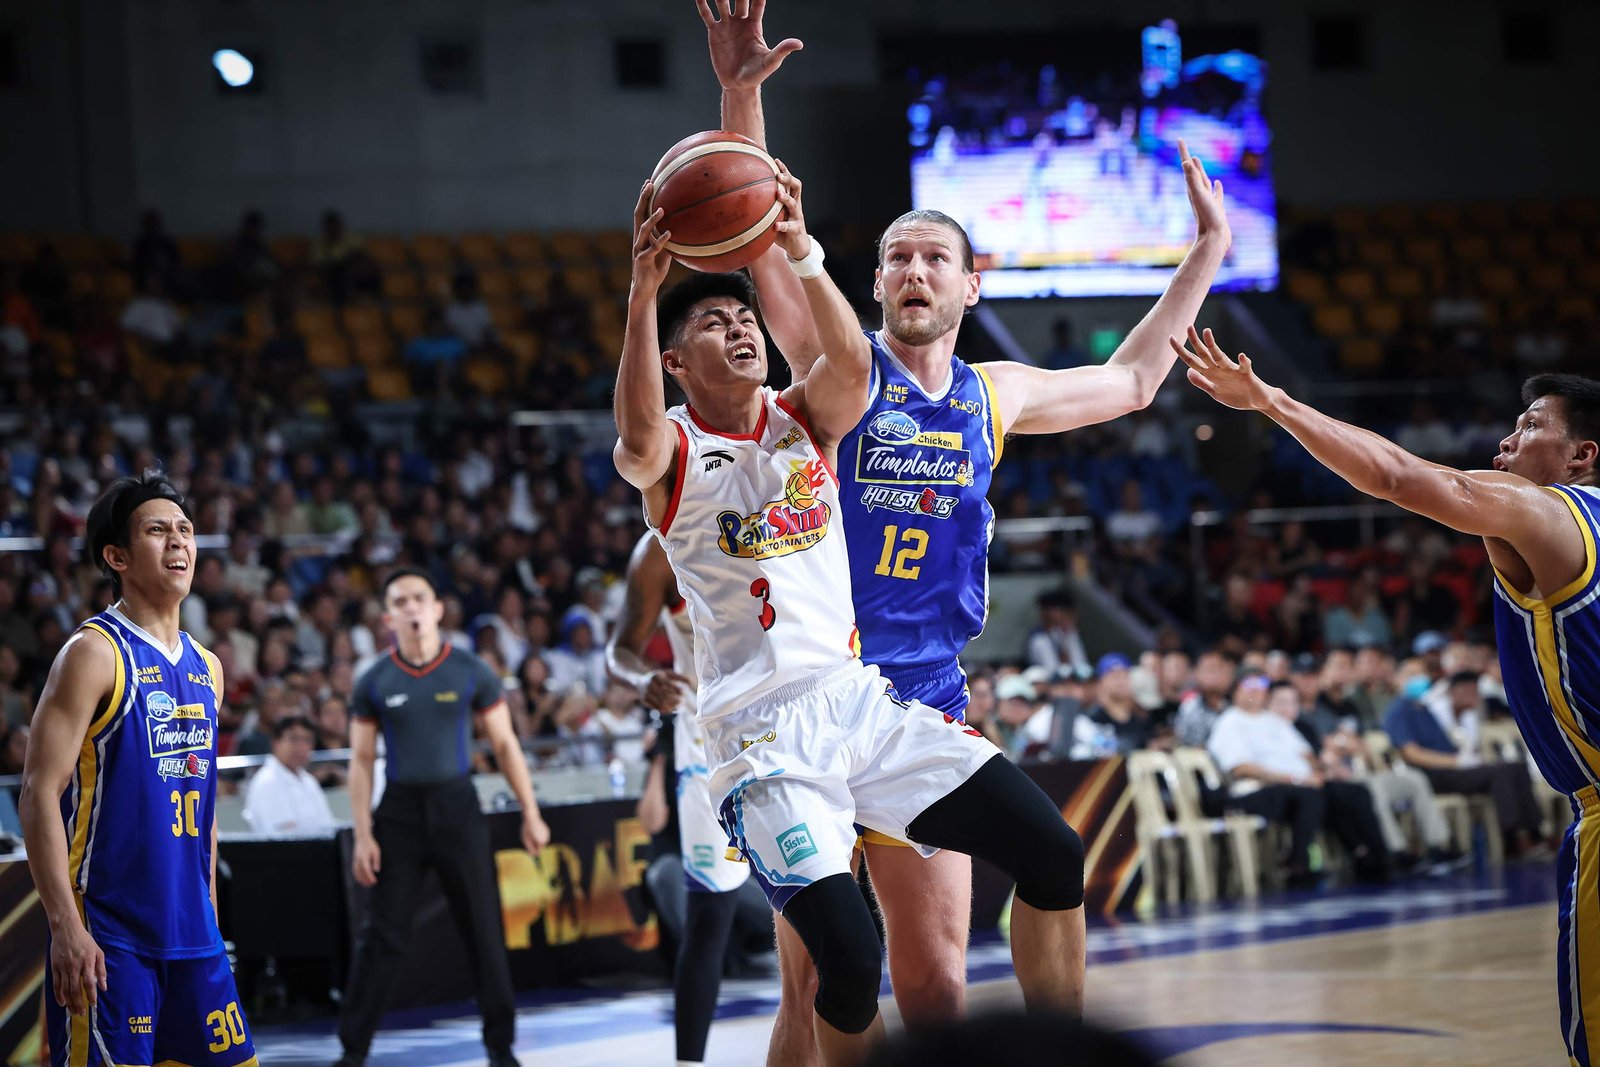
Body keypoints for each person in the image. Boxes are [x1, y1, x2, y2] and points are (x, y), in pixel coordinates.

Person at [698, 3, 1230, 1055]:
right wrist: (741, 92)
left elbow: (1129, 379)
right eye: (894, 256)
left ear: (969, 282)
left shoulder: (995, 392)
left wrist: (1207, 248)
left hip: (926, 693)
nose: (909, 270)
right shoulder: (839, 367)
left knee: (937, 981)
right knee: (815, 991)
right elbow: (755, 228)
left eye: (932, 256)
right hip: (813, 696)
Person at [613, 168, 1085, 1067]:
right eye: (713, 323)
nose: (741, 325)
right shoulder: (676, 452)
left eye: (746, 318)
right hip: (761, 739)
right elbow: (634, 430)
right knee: (848, 961)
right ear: (678, 363)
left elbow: (855, 362)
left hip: (860, 703)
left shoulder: (809, 423)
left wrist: (799, 248)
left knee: (1052, 850)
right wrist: (643, 294)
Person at [1175, 327, 1600, 1060]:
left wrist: (1270, 401)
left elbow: (1400, 478)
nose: (1507, 438)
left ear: (1581, 457)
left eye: (1531, 426)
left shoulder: (1551, 511)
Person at [17, 472, 258, 1067]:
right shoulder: (93, 652)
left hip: (194, 939)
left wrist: (211, 920)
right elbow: (37, 793)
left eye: (185, 530)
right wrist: (66, 930)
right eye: (158, 530)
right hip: (112, 940)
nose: (178, 542)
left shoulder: (208, 666)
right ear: (116, 556)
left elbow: (201, 809)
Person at [333, 567, 552, 1067]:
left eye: (419, 599)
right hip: (400, 814)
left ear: (436, 609)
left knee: (484, 930)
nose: (411, 608)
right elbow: (362, 760)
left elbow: (504, 744)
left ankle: (500, 1049)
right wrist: (364, 833)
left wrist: (531, 812)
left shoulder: (471, 669)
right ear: (389, 617)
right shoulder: (374, 680)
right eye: (400, 602)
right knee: (382, 936)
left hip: (458, 808)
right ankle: (352, 1052)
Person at [608, 531, 763, 1066]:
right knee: (709, 916)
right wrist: (643, 676)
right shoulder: (660, 547)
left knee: (826, 913)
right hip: (708, 743)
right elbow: (619, 650)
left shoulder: (796, 503)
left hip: (791, 726)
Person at [241, 715, 337, 837]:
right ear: (276, 743)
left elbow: (327, 825)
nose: (301, 747)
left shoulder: (309, 780)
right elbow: (283, 839)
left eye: (307, 740)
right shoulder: (267, 782)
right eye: (294, 739)